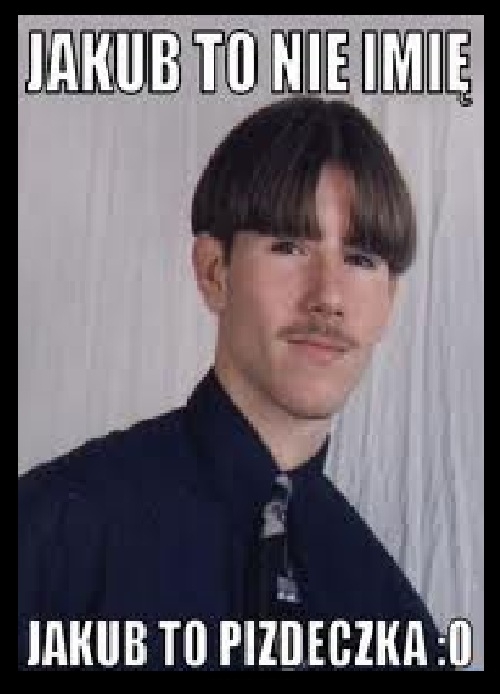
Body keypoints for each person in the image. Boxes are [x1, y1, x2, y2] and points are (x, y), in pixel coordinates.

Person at [18, 96, 453, 670]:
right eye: (289, 246)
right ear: (214, 272)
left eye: (360, 258)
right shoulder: (55, 534)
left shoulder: (393, 621)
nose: (328, 295)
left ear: (389, 301)